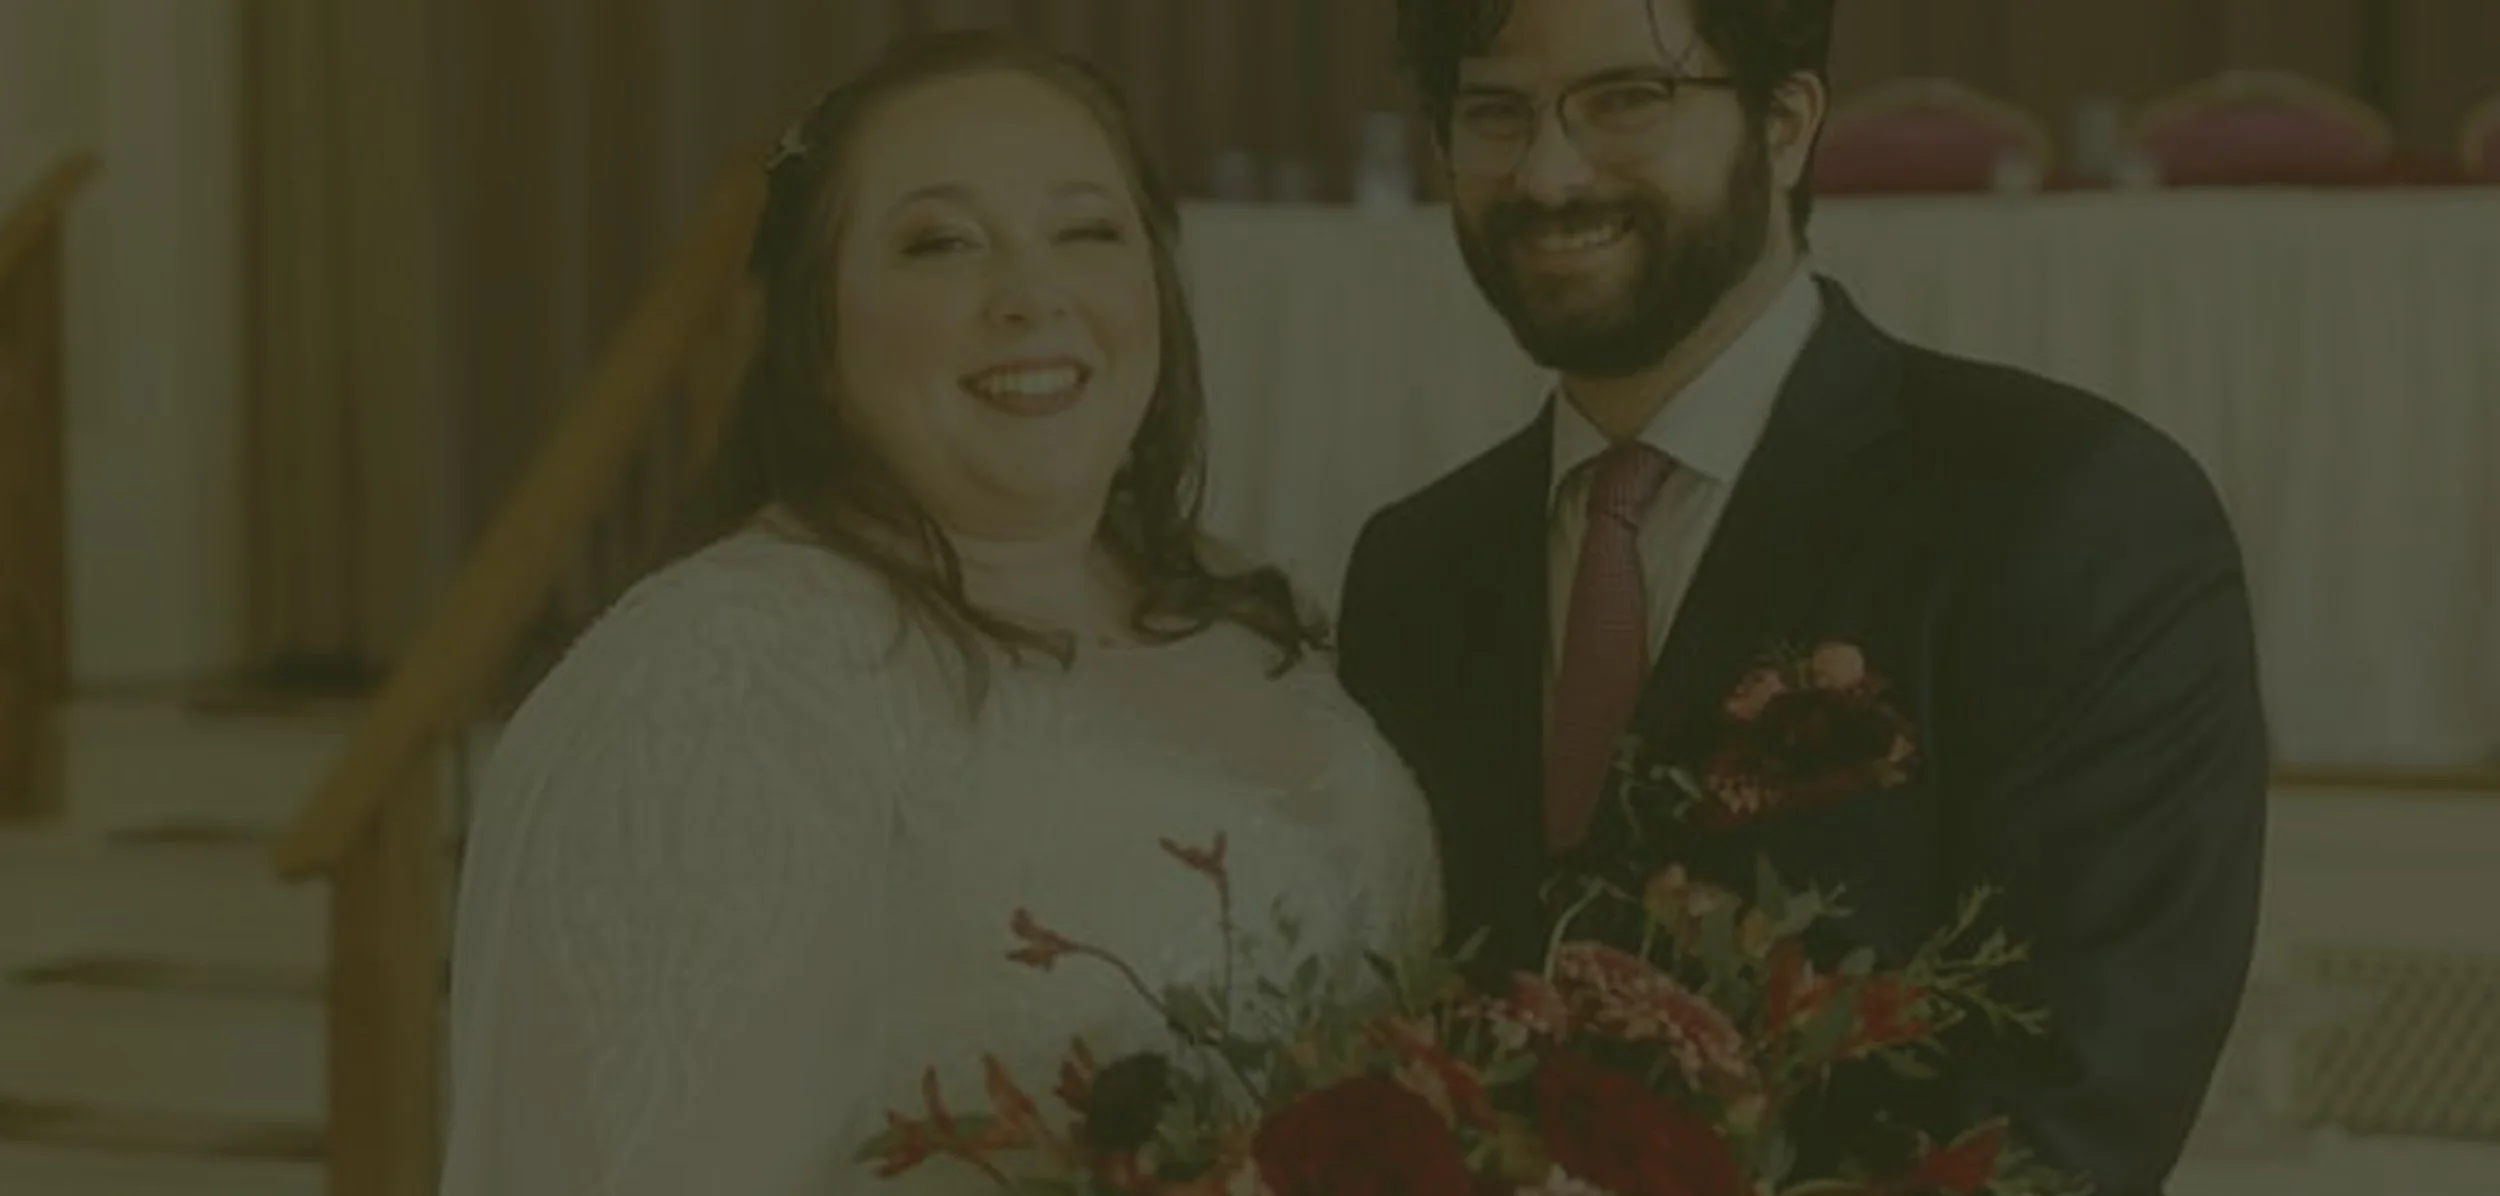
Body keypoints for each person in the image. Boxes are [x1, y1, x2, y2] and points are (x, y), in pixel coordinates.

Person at [437, 31, 1441, 1195]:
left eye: (1086, 231)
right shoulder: (710, 688)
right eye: (941, 243)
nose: (1031, 293)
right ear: (816, 334)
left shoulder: (1254, 617)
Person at [1335, 1, 2268, 1193]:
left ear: (1784, 124)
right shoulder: (1416, 566)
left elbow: (2071, 1114)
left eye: (1626, 98)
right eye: (1493, 112)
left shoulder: (2061, 510)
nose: (1547, 172)